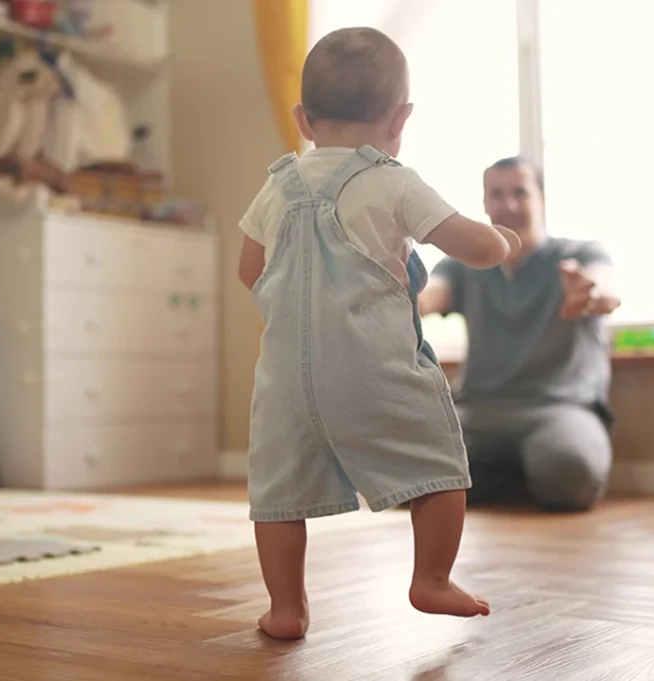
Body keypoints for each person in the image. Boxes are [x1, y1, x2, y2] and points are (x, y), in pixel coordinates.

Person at [237, 27, 521, 640]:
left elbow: (248, 271)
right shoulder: (393, 180)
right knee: (441, 464)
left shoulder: (276, 186)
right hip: (374, 371)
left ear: (303, 119)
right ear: (401, 118)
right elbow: (473, 248)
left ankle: (286, 608)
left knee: (279, 496)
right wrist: (502, 240)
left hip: (284, 383)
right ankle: (432, 579)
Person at [419, 156, 622, 513]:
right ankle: (509, 476)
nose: (507, 205)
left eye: (519, 193)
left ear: (541, 199)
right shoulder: (462, 266)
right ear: (484, 203)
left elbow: (605, 291)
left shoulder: (580, 254)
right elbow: (428, 296)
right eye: (496, 195)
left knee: (570, 474)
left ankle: (496, 478)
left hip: (559, 409)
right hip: (477, 412)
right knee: (411, 473)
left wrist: (588, 293)